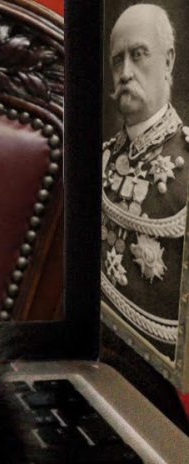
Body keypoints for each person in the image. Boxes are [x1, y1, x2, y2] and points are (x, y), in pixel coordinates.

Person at [100, 4, 188, 356]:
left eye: (138, 55)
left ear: (168, 61)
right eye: (117, 61)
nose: (125, 73)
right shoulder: (103, 158)